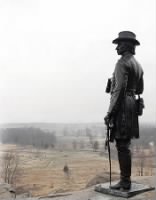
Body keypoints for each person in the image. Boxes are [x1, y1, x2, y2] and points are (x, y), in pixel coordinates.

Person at [104, 31, 144, 190]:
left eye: (118, 45)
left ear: (126, 45)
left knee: (122, 145)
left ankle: (125, 181)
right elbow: (139, 88)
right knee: (125, 145)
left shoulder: (121, 63)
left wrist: (110, 112)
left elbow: (119, 90)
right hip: (131, 105)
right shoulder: (138, 65)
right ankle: (125, 180)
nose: (116, 48)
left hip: (122, 107)